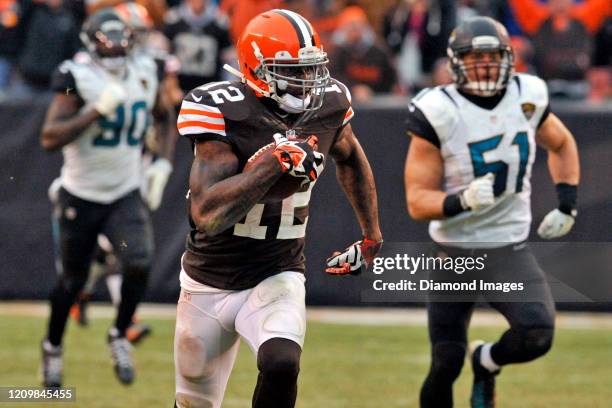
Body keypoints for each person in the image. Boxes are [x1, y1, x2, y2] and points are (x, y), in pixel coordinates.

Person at [174, 9, 383, 408]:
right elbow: (206, 214)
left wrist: (371, 233)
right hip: (209, 278)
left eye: (311, 69)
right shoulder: (222, 108)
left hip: (278, 269)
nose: (306, 82)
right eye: (291, 71)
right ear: (255, 69)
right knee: (194, 403)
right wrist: (272, 164)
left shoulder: (329, 103)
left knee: (282, 362)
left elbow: (351, 156)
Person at [403, 17, 580, 408]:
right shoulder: (439, 109)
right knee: (445, 363)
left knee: (537, 334)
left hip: (507, 249)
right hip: (453, 253)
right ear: (455, 63)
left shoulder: (528, 94)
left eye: (492, 57)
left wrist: (567, 203)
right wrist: (461, 200)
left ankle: (487, 360)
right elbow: (417, 200)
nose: (484, 66)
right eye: (475, 58)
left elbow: (562, 144)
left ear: (509, 58)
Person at [39, 8, 174, 388]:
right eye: (107, 46)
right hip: (80, 195)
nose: (115, 52)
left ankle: (118, 334)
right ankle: (52, 346)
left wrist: (161, 163)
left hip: (124, 193)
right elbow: (50, 136)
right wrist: (94, 111)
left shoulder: (147, 70)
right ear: (92, 45)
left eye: (121, 45)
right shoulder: (74, 78)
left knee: (138, 261)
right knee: (71, 281)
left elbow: (164, 116)